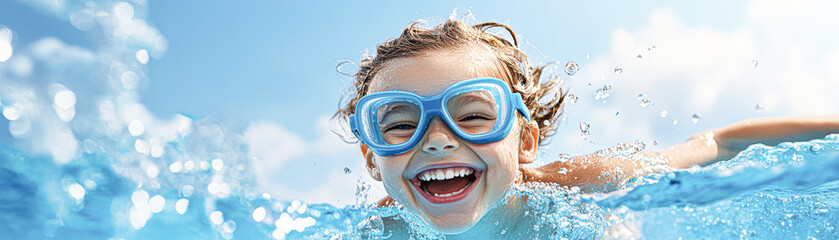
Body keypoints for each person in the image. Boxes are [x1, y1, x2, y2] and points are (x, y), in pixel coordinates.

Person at [331, 17, 839, 237]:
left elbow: (719, 141)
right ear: (372, 158)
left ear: (524, 141)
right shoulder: (379, 231)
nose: (439, 138)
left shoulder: (575, 183)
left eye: (474, 116)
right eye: (398, 124)